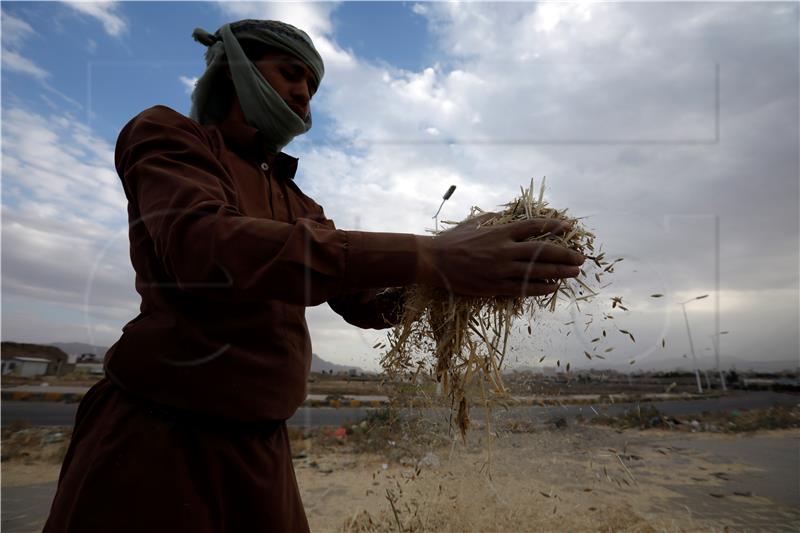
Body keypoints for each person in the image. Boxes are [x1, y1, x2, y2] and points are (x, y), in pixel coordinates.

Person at [43, 19, 584, 533]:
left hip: (263, 450)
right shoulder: (168, 137)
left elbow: (365, 301)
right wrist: (433, 255)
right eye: (290, 71)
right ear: (234, 71)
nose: (304, 91)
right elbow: (205, 247)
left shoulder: (300, 202)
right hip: (157, 438)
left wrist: (468, 277)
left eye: (312, 82)